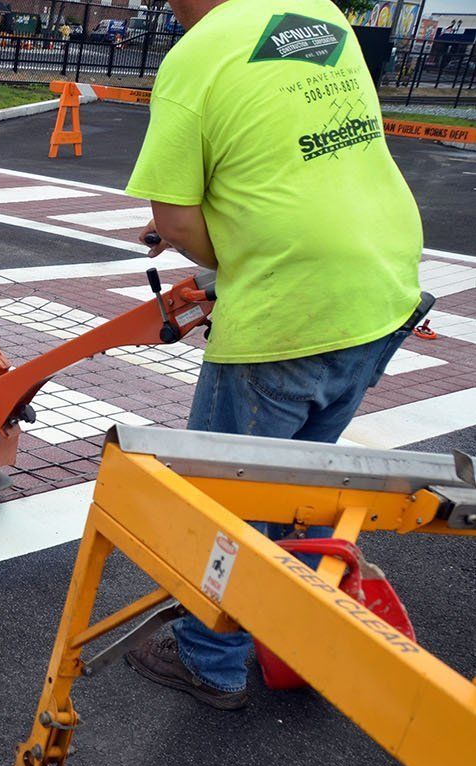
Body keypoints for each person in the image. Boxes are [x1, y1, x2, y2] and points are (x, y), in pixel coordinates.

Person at [121, 0, 426, 709]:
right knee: (302, 482)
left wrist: (218, 249)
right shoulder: (318, 14)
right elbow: (302, 145)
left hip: (295, 304)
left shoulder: (194, 57)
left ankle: (210, 659)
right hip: (383, 288)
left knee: (228, 497)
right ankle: (298, 633)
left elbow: (173, 222)